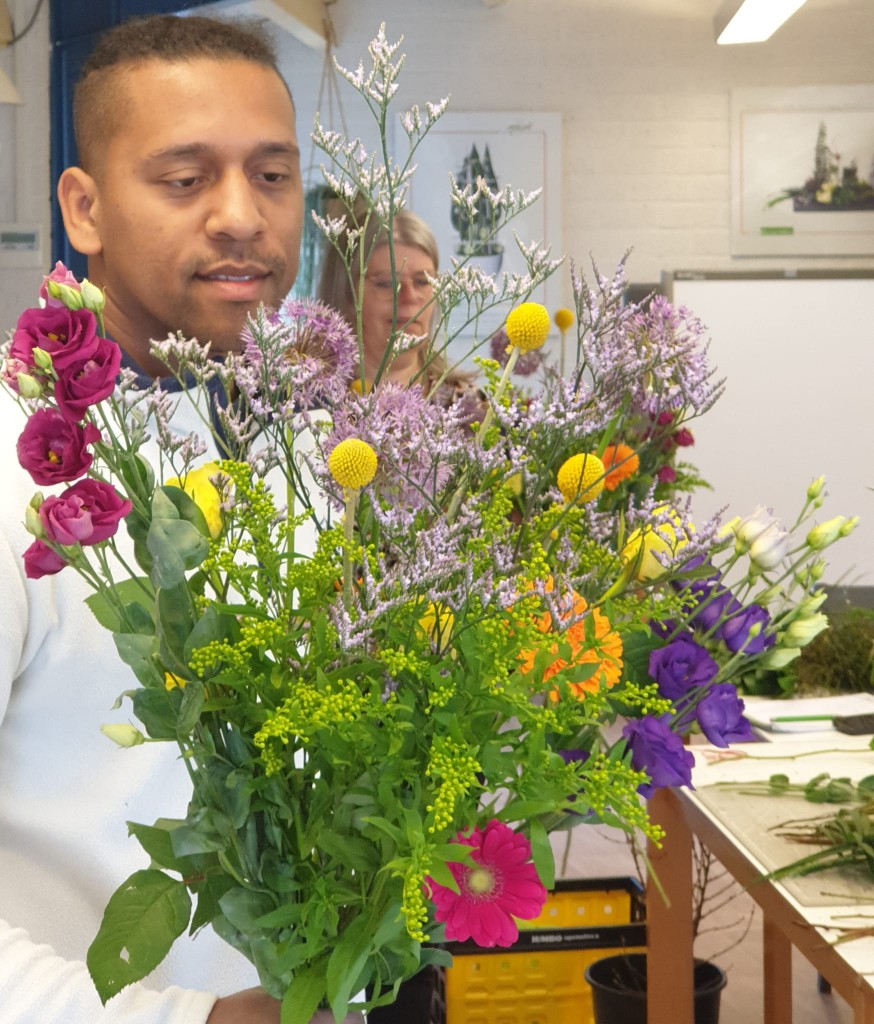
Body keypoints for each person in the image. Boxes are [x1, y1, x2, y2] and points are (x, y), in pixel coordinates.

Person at [0, 14, 304, 1024]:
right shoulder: (15, 464)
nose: (240, 216)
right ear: (84, 208)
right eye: (184, 179)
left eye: (271, 174)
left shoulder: (291, 448)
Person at [317, 203, 476, 404]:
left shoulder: (470, 409)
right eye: (387, 283)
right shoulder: (310, 400)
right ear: (347, 293)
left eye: (422, 281)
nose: (409, 296)